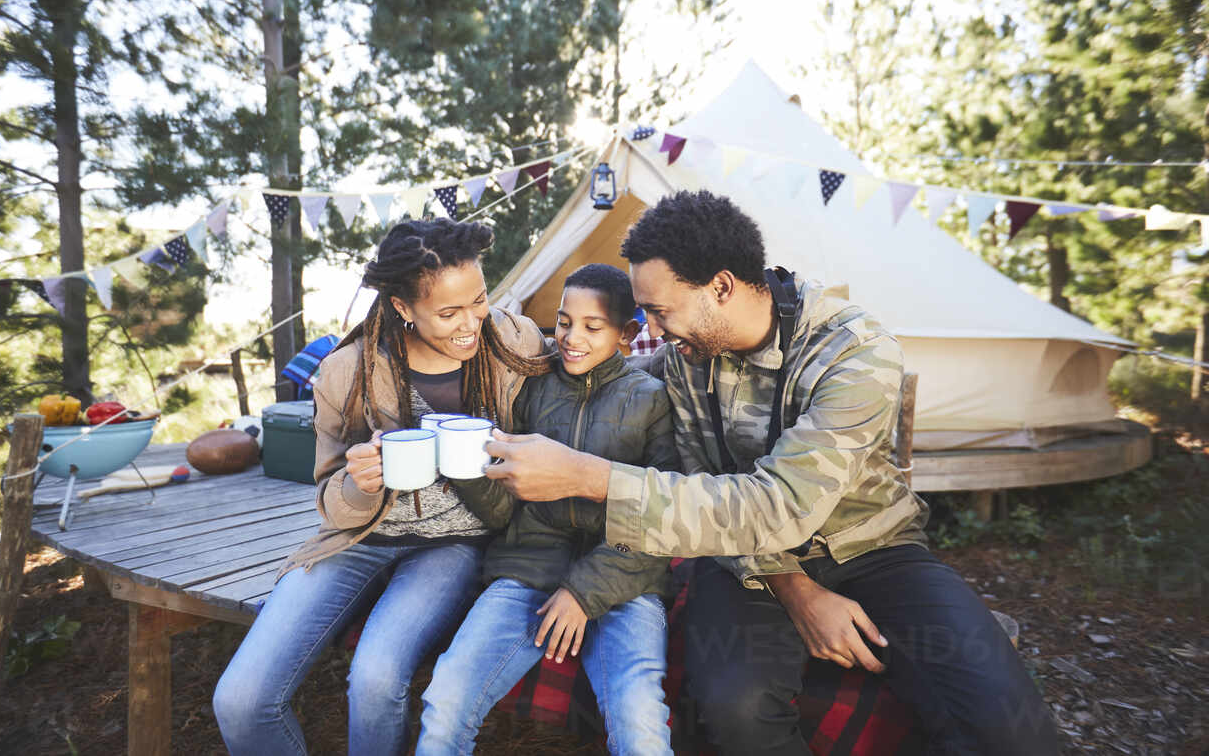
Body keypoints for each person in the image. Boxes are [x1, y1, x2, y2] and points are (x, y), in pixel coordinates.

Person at [483, 191, 1060, 755]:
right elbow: (601, 367)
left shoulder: (851, 353)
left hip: (873, 549)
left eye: (659, 312)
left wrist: (592, 477)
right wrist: (796, 589)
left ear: (722, 288)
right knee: (735, 709)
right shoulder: (686, 353)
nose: (652, 333)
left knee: (1009, 724)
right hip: (741, 564)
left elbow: (779, 505)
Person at [213, 218, 549, 756]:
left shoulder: (513, 340)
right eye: (447, 313)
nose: (471, 323)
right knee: (241, 700)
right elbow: (328, 497)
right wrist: (360, 482)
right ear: (401, 308)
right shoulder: (347, 372)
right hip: (360, 539)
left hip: (455, 544)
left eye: (479, 300)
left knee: (375, 678)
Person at [417, 264, 678, 756]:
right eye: (562, 322)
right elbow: (502, 509)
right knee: (447, 695)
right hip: (529, 568)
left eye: (591, 327)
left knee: (639, 721)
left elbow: (663, 519)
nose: (571, 338)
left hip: (628, 579)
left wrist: (583, 593)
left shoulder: (652, 400)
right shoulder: (532, 387)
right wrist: (466, 466)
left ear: (627, 334)